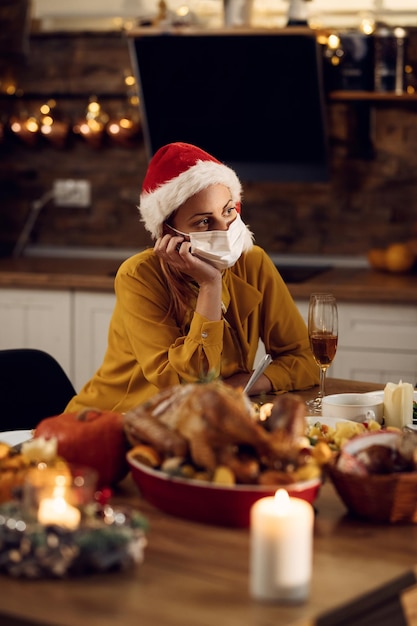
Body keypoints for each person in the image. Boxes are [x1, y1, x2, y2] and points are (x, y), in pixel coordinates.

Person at [65, 142, 319, 413]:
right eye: (203, 222)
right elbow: (188, 385)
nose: (224, 229)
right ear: (169, 232)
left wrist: (250, 383)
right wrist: (210, 284)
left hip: (205, 418)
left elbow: (307, 359)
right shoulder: (138, 275)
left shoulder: (253, 261)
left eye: (228, 211)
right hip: (119, 419)